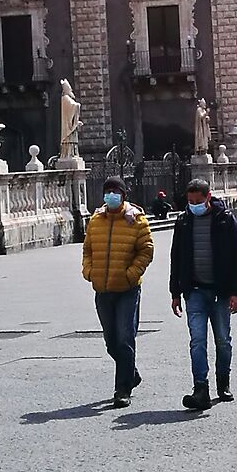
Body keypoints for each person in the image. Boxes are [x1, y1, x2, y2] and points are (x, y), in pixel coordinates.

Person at [170, 174, 237, 410]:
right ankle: (200, 388)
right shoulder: (183, 221)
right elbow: (177, 258)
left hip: (221, 292)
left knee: (223, 340)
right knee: (197, 341)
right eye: (189, 201)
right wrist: (175, 292)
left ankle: (223, 382)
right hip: (194, 291)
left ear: (208, 197)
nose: (192, 205)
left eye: (197, 200)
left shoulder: (225, 220)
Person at [81, 175, 153, 408]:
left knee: (124, 337)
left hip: (127, 289)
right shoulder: (96, 220)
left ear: (123, 195)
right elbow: (88, 250)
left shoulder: (137, 220)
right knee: (111, 340)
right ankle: (130, 372)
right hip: (102, 288)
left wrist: (131, 274)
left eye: (116, 191)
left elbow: (146, 251)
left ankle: (122, 389)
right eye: (108, 191)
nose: (111, 195)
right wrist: (89, 271)